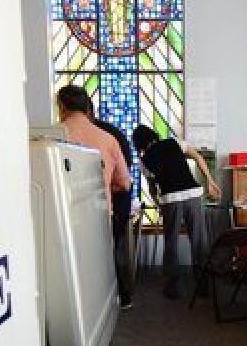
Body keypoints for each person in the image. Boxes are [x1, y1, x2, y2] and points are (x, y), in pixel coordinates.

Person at [131, 124, 219, 299]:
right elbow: (198, 157)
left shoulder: (144, 161)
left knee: (171, 242)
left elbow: (152, 188)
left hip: (170, 200)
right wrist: (210, 181)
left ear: (139, 144)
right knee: (199, 240)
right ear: (153, 135)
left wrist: (158, 204)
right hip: (192, 194)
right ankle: (203, 286)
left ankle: (172, 287)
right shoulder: (174, 142)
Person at [55, 85, 132, 218]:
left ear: (62, 107)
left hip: (63, 215)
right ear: (87, 109)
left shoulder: (49, 137)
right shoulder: (109, 139)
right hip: (99, 216)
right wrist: (104, 185)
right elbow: (124, 184)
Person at [92, 115, 137, 310]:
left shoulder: (102, 136)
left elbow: (122, 181)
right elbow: (125, 178)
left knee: (108, 251)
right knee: (112, 249)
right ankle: (120, 295)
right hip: (120, 202)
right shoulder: (111, 135)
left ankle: (120, 295)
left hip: (114, 202)